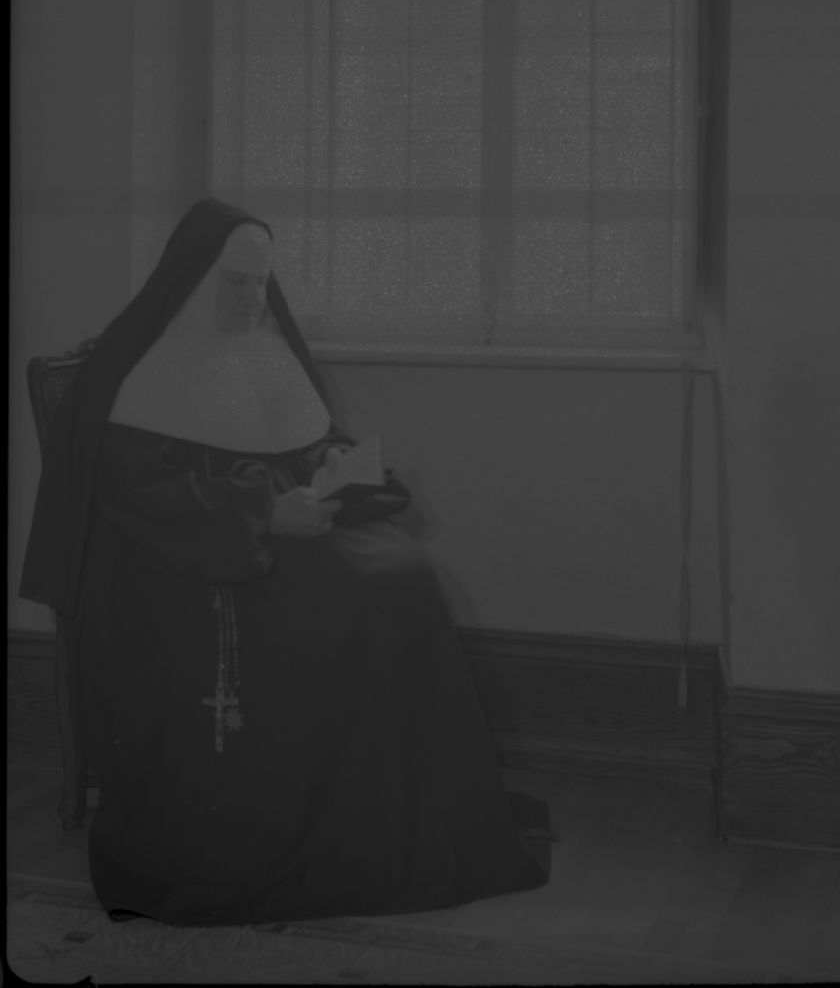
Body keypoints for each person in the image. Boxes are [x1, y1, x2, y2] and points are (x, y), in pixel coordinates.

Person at [19, 198, 550, 926]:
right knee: (359, 591)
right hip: (179, 563)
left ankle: (372, 809)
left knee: (404, 575)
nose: (252, 299)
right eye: (235, 283)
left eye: (261, 283)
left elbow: (300, 439)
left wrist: (331, 465)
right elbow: (139, 496)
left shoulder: (261, 349)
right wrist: (267, 514)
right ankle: (316, 822)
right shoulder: (139, 373)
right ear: (193, 283)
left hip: (270, 531)